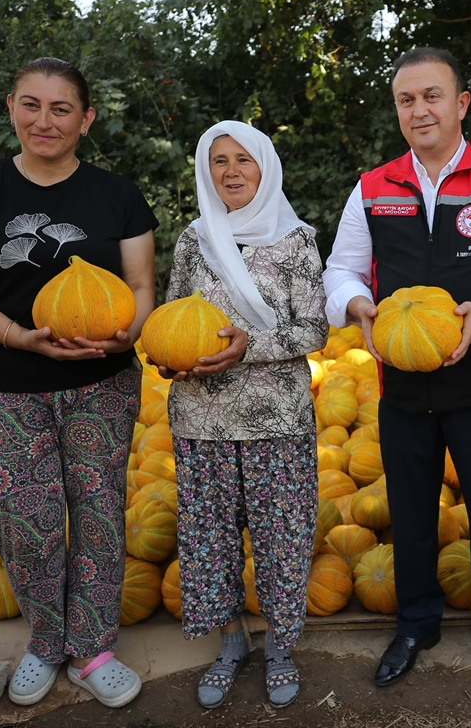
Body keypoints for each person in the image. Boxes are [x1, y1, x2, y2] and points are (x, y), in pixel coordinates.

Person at [0, 57, 156, 708]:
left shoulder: (117, 195)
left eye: (61, 109)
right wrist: (18, 336)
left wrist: (126, 333)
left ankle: (93, 646)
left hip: (102, 382)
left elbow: (140, 288)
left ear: (85, 119)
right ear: (11, 109)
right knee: (27, 521)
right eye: (32, 105)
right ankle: (46, 641)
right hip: (6, 384)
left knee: (99, 512)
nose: (45, 120)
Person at [323, 47, 471, 694]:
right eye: (406, 99)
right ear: (397, 109)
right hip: (400, 386)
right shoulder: (374, 187)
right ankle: (416, 623)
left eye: (432, 96)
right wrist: (357, 304)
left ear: (461, 104)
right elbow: (340, 268)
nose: (419, 109)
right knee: (410, 511)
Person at [154, 121, 328, 710]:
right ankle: (231, 640)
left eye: (243, 160)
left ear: (266, 167)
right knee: (208, 537)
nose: (231, 171)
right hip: (201, 418)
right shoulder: (192, 240)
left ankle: (280, 644)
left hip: (276, 418)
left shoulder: (296, 239)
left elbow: (314, 328)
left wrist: (244, 346)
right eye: (218, 161)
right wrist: (167, 359)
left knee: (282, 536)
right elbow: (171, 317)